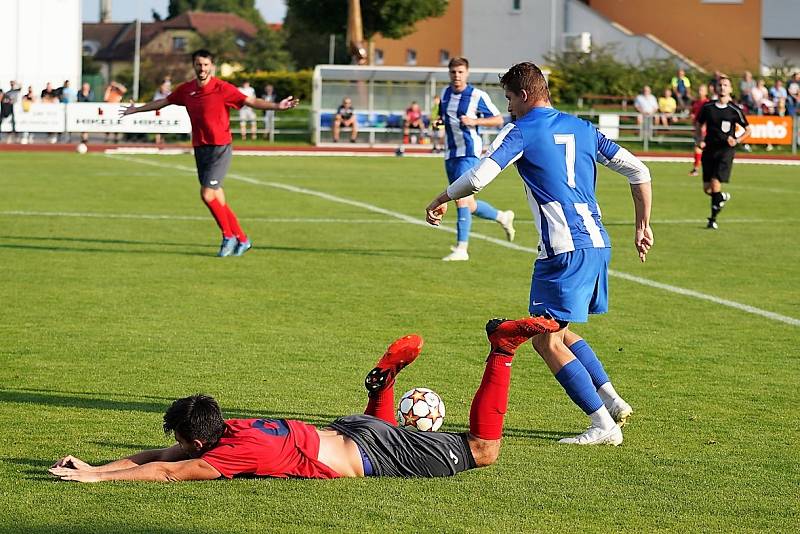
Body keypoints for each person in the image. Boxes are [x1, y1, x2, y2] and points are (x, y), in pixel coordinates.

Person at [426, 62, 654, 445]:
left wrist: (443, 196)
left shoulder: (522, 129)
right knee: (560, 332)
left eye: (510, 98)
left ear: (525, 95)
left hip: (563, 249)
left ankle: (603, 426)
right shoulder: (583, 127)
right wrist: (642, 224)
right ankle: (612, 402)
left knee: (545, 339)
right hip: (597, 243)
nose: (509, 107)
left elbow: (480, 177)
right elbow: (640, 171)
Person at [48, 315, 560, 482]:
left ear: (200, 437)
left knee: (482, 453)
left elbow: (164, 471)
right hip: (351, 429)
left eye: (183, 439)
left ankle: (502, 351)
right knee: (387, 427)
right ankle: (380, 388)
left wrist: (93, 480)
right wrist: (94, 467)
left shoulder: (233, 453)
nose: (177, 445)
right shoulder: (233, 427)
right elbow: (160, 456)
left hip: (368, 450)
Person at [120, 49, 299, 257]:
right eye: (198, 64)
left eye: (206, 65)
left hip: (220, 147)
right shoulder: (186, 90)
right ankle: (242, 239)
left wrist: (277, 106)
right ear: (193, 66)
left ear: (212, 66)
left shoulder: (222, 88)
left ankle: (228, 237)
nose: (202, 68)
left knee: (206, 194)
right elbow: (164, 102)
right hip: (200, 147)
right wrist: (136, 110)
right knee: (218, 197)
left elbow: (251, 101)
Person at [437, 57, 516, 261]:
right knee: (468, 204)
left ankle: (462, 249)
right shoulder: (445, 94)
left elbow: (498, 119)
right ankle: (502, 216)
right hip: (451, 154)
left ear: (467, 73)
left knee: (461, 199)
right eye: (453, 72)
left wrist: (474, 121)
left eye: (461, 72)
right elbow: (442, 118)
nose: (457, 76)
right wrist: (437, 122)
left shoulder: (476, 95)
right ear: (449, 73)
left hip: (469, 153)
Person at [694, 75, 752, 230]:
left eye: (726, 85)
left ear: (730, 89)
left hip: (725, 151)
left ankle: (712, 220)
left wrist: (737, 140)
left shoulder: (734, 109)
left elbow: (748, 129)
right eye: (720, 85)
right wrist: (699, 139)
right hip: (709, 150)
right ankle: (721, 197)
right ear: (715, 88)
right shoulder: (708, 107)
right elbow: (698, 124)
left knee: (714, 182)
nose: (722, 88)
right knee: (707, 188)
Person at [688, 84, 709, 176]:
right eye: (699, 89)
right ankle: (696, 168)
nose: (700, 91)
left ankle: (697, 169)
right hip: (697, 128)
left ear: (706, 92)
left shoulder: (707, 103)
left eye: (702, 90)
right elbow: (693, 113)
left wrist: (704, 127)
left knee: (700, 148)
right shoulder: (696, 102)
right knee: (698, 148)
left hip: (705, 129)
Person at [152, 79, 172, 145]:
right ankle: (157, 142)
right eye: (165, 86)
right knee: (158, 128)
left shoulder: (170, 94)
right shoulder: (157, 94)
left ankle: (163, 141)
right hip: (159, 114)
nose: (166, 88)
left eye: (168, 86)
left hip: (169, 114)